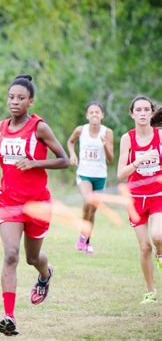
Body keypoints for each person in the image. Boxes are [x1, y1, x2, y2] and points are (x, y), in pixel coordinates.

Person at [0, 75, 69, 336]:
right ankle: (9, 316)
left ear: (30, 102)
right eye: (11, 97)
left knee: (32, 258)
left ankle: (44, 273)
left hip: (37, 203)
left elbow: (64, 160)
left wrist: (35, 163)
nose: (14, 102)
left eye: (20, 98)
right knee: (11, 255)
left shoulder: (40, 128)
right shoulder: (0, 127)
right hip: (9, 201)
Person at [117, 96, 162, 304]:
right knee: (144, 247)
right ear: (132, 114)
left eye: (146, 109)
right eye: (139, 110)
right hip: (135, 199)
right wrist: (139, 161)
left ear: (152, 113)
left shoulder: (160, 136)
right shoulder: (127, 138)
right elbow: (120, 174)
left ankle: (160, 254)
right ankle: (150, 291)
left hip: (158, 195)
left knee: (158, 235)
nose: (143, 113)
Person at [67, 102, 114, 254]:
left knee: (92, 211)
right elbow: (70, 141)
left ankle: (86, 240)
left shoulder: (107, 132)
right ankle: (82, 235)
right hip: (84, 173)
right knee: (88, 200)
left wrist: (105, 145)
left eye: (97, 112)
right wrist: (73, 154)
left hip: (100, 176)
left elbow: (110, 158)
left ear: (102, 116)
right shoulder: (81, 130)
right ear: (87, 115)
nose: (94, 114)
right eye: (91, 112)